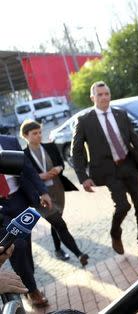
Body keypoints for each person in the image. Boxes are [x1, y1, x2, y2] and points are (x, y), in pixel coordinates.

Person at [71, 81, 138, 256]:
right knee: (123, 206)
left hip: (128, 165)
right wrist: (83, 177)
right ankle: (115, 232)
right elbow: (77, 151)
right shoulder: (84, 121)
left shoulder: (121, 114)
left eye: (106, 94)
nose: (104, 97)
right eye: (100, 95)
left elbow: (135, 139)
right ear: (92, 98)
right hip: (107, 170)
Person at [21, 120, 89, 266]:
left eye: (40, 132)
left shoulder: (50, 147)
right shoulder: (23, 155)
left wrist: (58, 169)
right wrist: (40, 176)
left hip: (57, 190)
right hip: (40, 196)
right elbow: (24, 175)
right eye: (35, 133)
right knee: (60, 224)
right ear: (26, 136)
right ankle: (79, 254)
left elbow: (61, 163)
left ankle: (58, 250)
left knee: (56, 223)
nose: (39, 135)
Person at [0, 135, 52, 307]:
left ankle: (29, 280)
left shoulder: (9, 141)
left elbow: (27, 168)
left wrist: (42, 191)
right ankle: (31, 290)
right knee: (17, 245)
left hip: (18, 200)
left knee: (25, 244)